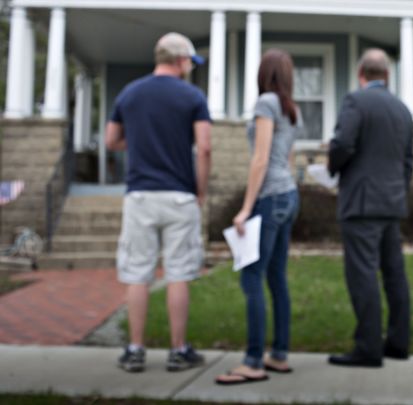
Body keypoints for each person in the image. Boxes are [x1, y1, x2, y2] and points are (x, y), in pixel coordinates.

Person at [105, 32, 212, 373]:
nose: (189, 70)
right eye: (189, 64)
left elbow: (111, 141)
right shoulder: (193, 96)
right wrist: (201, 190)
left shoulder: (130, 93)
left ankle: (135, 349)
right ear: (181, 60)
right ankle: (178, 351)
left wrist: (137, 145)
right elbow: (205, 148)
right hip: (180, 194)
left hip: (139, 195)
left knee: (138, 273)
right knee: (178, 272)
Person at [215, 49, 302, 385]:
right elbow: (289, 159)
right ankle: (278, 354)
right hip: (289, 195)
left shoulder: (266, 103)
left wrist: (246, 207)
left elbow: (260, 159)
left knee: (252, 277)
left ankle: (253, 361)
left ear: (264, 74)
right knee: (276, 277)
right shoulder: (292, 109)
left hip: (269, 197)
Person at [327, 48, 413, 368]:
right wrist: (397, 191)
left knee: (362, 274)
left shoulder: (355, 101)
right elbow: (408, 162)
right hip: (392, 202)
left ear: (361, 74)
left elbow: (343, 144)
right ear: (387, 76)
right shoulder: (403, 110)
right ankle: (398, 343)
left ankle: (367, 348)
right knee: (394, 274)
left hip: (361, 203)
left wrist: (332, 166)